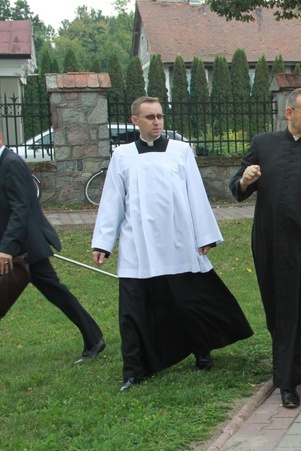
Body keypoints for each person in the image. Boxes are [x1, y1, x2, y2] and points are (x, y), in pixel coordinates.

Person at [92, 96, 253, 392]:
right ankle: (134, 370)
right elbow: (112, 199)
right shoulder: (123, 156)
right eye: (150, 117)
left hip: (178, 240)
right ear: (135, 121)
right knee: (133, 310)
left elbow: (195, 192)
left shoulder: (180, 151)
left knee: (188, 302)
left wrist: (204, 234)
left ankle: (201, 350)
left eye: (160, 116)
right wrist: (103, 242)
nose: (156, 122)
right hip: (138, 245)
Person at [229, 87, 301, 409]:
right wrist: (246, 179)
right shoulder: (262, 144)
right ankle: (286, 380)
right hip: (270, 245)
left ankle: (297, 366)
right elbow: (237, 187)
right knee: (280, 309)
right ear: (289, 113)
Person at [0, 129, 106, 364]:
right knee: (56, 292)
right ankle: (94, 337)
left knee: (57, 293)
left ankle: (94, 339)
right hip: (11, 246)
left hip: (25, 248)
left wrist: (7, 248)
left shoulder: (11, 163)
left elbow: (21, 209)